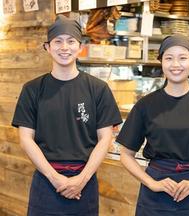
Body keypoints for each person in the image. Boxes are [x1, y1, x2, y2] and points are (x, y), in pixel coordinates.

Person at [12, 15, 122, 216]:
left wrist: (81, 179)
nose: (65, 47)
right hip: (46, 182)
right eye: (58, 41)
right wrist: (55, 178)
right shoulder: (32, 89)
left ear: (80, 47)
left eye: (71, 41)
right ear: (47, 47)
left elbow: (105, 138)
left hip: (85, 181)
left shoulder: (98, 89)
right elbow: (25, 139)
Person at [116, 34, 189, 216]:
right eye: (169, 58)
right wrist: (152, 183)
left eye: (182, 58)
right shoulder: (145, 105)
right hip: (156, 190)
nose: (175, 65)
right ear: (161, 62)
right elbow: (125, 155)